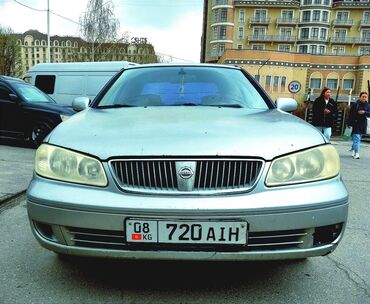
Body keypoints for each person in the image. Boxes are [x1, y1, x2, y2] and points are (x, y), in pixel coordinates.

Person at [347, 92, 370, 159]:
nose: (364, 98)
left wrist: (364, 112)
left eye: (365, 97)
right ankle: (356, 153)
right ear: (360, 97)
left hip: (363, 124)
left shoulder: (368, 105)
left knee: (358, 138)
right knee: (357, 139)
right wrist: (348, 123)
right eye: (363, 96)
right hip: (355, 124)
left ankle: (353, 149)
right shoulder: (355, 105)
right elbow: (350, 115)